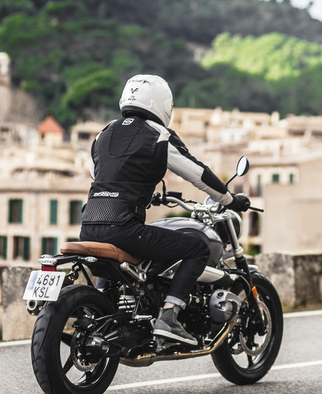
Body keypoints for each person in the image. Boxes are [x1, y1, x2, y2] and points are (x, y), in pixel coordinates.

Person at [79, 74, 250, 346]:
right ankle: (169, 317)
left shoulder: (104, 133)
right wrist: (230, 200)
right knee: (198, 248)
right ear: (162, 104)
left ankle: (104, 311)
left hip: (88, 226)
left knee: (118, 266)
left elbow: (97, 173)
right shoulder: (157, 135)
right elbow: (197, 173)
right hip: (124, 229)